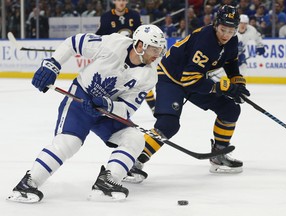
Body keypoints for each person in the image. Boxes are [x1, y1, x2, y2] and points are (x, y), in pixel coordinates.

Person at [7, 24, 166, 203]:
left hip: (106, 110)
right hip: (80, 98)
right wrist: (52, 65)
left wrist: (107, 105)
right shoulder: (113, 43)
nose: (157, 55)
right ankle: (28, 184)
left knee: (135, 139)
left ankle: (107, 182)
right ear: (140, 46)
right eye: (154, 49)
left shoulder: (149, 76)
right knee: (69, 142)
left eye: (159, 50)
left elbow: (127, 108)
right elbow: (73, 43)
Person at [125, 5, 251, 183]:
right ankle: (132, 162)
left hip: (194, 78)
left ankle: (219, 154)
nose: (226, 35)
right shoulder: (206, 41)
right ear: (216, 25)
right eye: (223, 29)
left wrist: (237, 82)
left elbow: (231, 62)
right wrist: (221, 87)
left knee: (230, 110)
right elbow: (189, 80)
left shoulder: (231, 41)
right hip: (171, 79)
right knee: (168, 125)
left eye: (231, 31)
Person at [96, 0, 156, 112]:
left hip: (133, 54)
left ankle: (153, 105)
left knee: (141, 79)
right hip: (115, 55)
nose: (121, 2)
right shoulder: (106, 17)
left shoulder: (134, 15)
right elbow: (99, 37)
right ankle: (108, 105)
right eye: (119, 0)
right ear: (114, 1)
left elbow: (142, 34)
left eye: (123, 0)